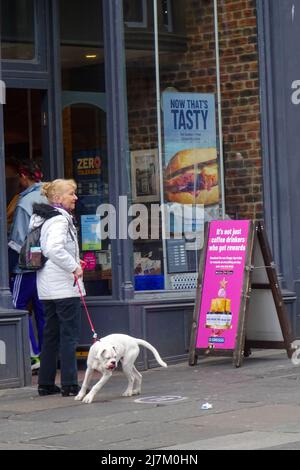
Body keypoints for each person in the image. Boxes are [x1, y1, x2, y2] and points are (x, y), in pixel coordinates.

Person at [29, 179, 85, 397]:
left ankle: (45, 383)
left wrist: (73, 262)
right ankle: (70, 384)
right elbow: (53, 249)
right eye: (72, 193)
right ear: (59, 198)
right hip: (63, 286)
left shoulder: (41, 218)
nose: (76, 197)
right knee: (68, 336)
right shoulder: (60, 220)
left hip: (46, 286)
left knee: (50, 335)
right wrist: (74, 267)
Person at [8, 159, 47, 371]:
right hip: (47, 265)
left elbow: (17, 241)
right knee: (43, 310)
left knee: (16, 308)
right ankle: (47, 355)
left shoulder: (24, 203)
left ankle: (33, 356)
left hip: (26, 266)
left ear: (24, 177)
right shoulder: (51, 195)